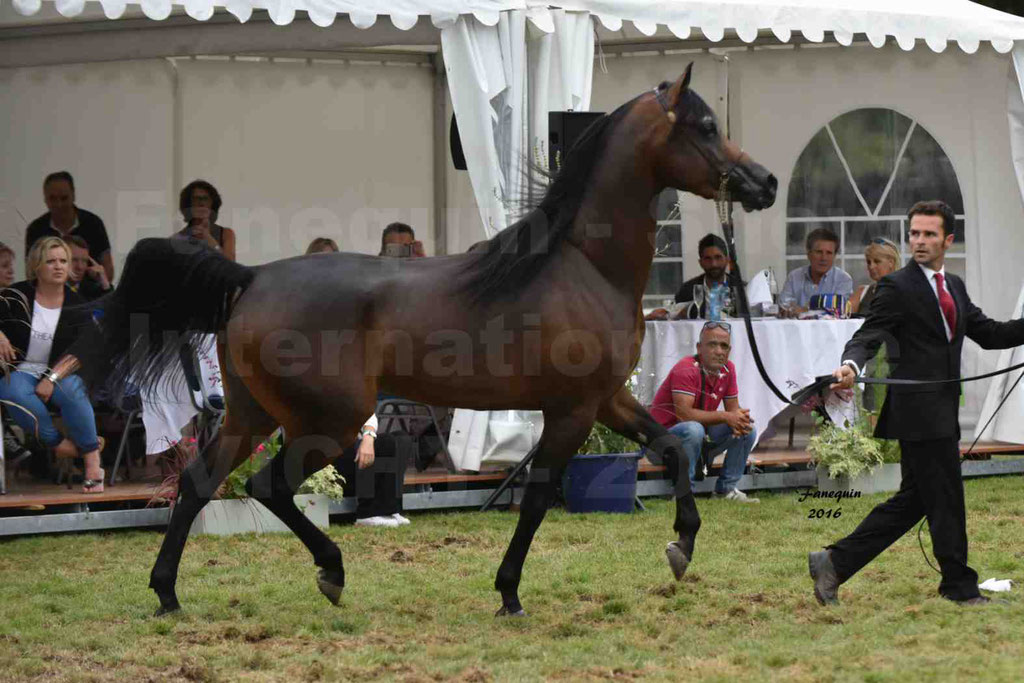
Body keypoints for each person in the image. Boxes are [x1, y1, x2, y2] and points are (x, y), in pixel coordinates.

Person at [811, 200, 1024, 607]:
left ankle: (833, 563)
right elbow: (868, 335)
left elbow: (990, 333)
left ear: (948, 240)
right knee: (946, 498)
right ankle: (959, 587)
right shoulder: (897, 286)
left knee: (918, 499)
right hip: (916, 411)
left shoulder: (954, 286)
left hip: (942, 409)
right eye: (915, 234)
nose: (920, 241)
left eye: (929, 234)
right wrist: (851, 364)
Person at [0, 237, 106, 492]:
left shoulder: (78, 304)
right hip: (21, 369)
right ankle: (63, 447)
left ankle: (93, 464)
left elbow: (82, 351)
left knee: (72, 392)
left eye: (63, 261)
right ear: (36, 266)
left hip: (61, 370)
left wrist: (52, 379)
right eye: (50, 261)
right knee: (12, 392)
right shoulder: (15, 295)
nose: (58, 266)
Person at [648, 321, 760, 503]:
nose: (719, 351)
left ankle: (726, 490)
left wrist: (740, 417)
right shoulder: (685, 369)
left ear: (729, 351)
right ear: (699, 348)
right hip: (659, 444)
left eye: (724, 346)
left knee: (746, 428)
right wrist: (726, 416)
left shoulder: (728, 369)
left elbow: (733, 412)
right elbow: (684, 415)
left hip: (696, 440)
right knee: (693, 429)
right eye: (712, 344)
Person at [25, 171, 114, 282]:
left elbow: (108, 272)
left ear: (73, 196)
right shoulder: (36, 230)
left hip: (90, 296)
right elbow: (31, 274)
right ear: (45, 199)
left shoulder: (93, 224)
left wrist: (98, 276)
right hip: (49, 295)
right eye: (53, 198)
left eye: (64, 198)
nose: (59, 204)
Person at [335, 413, 413, 527]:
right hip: (333, 459)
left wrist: (368, 435)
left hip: (355, 456)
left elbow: (368, 414)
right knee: (385, 441)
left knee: (402, 439)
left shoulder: (353, 396)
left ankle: (391, 510)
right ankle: (367, 514)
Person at [779, 227, 853, 316]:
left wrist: (804, 310)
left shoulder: (843, 279)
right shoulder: (794, 277)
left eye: (829, 253)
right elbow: (784, 305)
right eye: (819, 252)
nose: (824, 258)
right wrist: (790, 310)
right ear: (808, 253)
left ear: (834, 256)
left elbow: (838, 311)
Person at [173, 180, 237, 261]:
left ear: (213, 204)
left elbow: (231, 265)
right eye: (196, 199)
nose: (202, 204)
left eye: (206, 199)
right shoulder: (177, 238)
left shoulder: (226, 233)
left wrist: (208, 238)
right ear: (188, 205)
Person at [849, 238, 900, 316]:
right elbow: (843, 318)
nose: (871, 266)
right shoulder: (862, 292)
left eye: (877, 261)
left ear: (891, 262)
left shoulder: (904, 291)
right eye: (868, 262)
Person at [67, 235, 112, 302]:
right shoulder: (49, 290)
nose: (80, 267)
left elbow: (113, 308)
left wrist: (104, 282)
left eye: (84, 261)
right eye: (74, 260)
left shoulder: (91, 290)